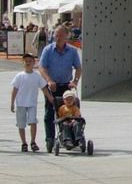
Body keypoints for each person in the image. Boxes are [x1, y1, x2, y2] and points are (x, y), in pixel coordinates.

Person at [37, 25, 81, 153]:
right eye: (56, 35)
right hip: (52, 86)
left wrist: (75, 81)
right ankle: (49, 138)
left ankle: (70, 136)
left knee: (69, 112)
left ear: (66, 36)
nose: (58, 38)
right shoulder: (48, 50)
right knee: (49, 113)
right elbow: (42, 67)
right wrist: (49, 80)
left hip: (66, 87)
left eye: (61, 35)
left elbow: (78, 68)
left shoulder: (72, 51)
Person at [10, 53, 53, 152]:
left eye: (30, 61)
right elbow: (14, 90)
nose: (28, 63)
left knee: (33, 122)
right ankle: (24, 143)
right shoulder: (19, 76)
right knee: (21, 124)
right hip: (20, 103)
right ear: (23, 63)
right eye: (26, 61)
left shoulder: (36, 76)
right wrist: (12, 103)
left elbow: (44, 88)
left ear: (34, 62)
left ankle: (33, 142)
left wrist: (50, 97)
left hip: (32, 103)